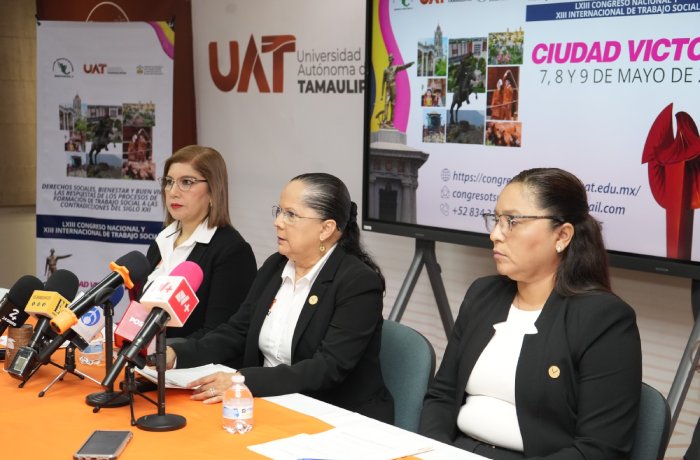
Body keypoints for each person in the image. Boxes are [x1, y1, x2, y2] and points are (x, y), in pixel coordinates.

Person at [419, 167, 642, 459]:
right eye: (496, 220)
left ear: (562, 236)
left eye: (511, 221)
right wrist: (432, 452)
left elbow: (599, 449)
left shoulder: (605, 320)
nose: (495, 235)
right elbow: (442, 396)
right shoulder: (482, 294)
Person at [165, 172, 394, 423]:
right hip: (273, 405)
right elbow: (237, 331)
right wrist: (177, 354)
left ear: (326, 228)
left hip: (338, 416)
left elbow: (328, 367)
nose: (278, 222)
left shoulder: (357, 282)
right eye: (279, 211)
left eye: (291, 215)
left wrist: (243, 381)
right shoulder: (276, 266)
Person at [146, 145, 257, 340]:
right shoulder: (162, 240)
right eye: (169, 182)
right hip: (148, 362)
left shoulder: (232, 251)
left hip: (192, 368)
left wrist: (167, 353)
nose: (173, 192)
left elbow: (221, 335)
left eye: (186, 182)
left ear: (214, 191)